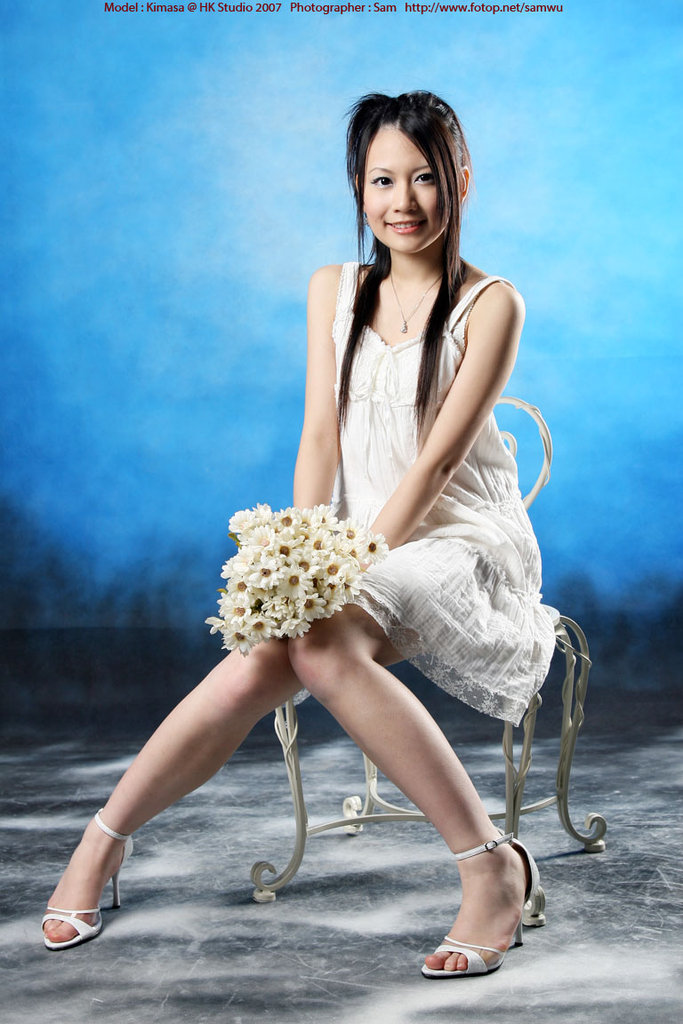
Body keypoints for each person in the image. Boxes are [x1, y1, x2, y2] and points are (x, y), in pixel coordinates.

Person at [42, 90, 556, 978]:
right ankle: (105, 840)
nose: (402, 201)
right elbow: (319, 435)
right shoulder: (333, 288)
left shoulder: (491, 304)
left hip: (457, 537)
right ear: (357, 188)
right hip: (352, 536)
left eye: (425, 178)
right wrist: (294, 555)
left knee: (310, 641)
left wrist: (348, 564)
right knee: (267, 655)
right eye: (381, 180)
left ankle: (488, 871)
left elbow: (436, 465)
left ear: (462, 182)